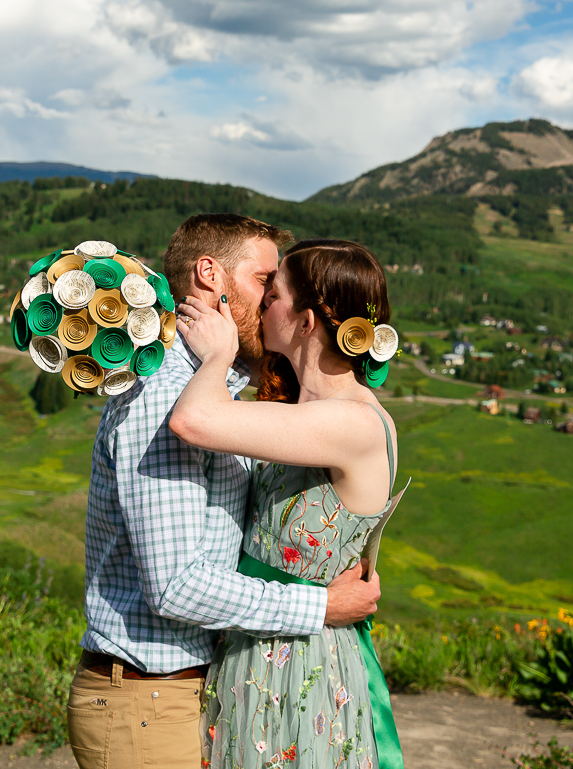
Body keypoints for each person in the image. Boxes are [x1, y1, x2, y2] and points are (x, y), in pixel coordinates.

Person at [66, 216, 381, 769]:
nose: (265, 304)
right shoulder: (165, 395)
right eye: (263, 280)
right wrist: (321, 603)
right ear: (209, 274)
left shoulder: (221, 395)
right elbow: (177, 587)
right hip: (149, 698)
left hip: (187, 692)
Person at [171, 239, 404, 769]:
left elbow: (193, 422)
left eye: (273, 295)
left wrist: (218, 355)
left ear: (305, 323)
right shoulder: (308, 411)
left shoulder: (354, 422)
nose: (262, 306)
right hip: (257, 653)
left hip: (301, 669)